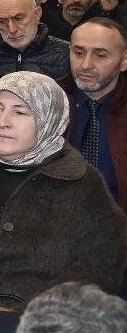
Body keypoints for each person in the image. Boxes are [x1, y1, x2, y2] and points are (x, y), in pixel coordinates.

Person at [0, 71, 127, 321]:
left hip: (44, 327)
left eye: (20, 112)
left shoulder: (83, 183)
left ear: (48, 120)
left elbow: (97, 269)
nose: (3, 122)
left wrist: (33, 316)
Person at [61, 18, 127, 206]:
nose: (86, 65)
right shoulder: (46, 100)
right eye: (79, 53)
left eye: (100, 55)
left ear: (124, 62)